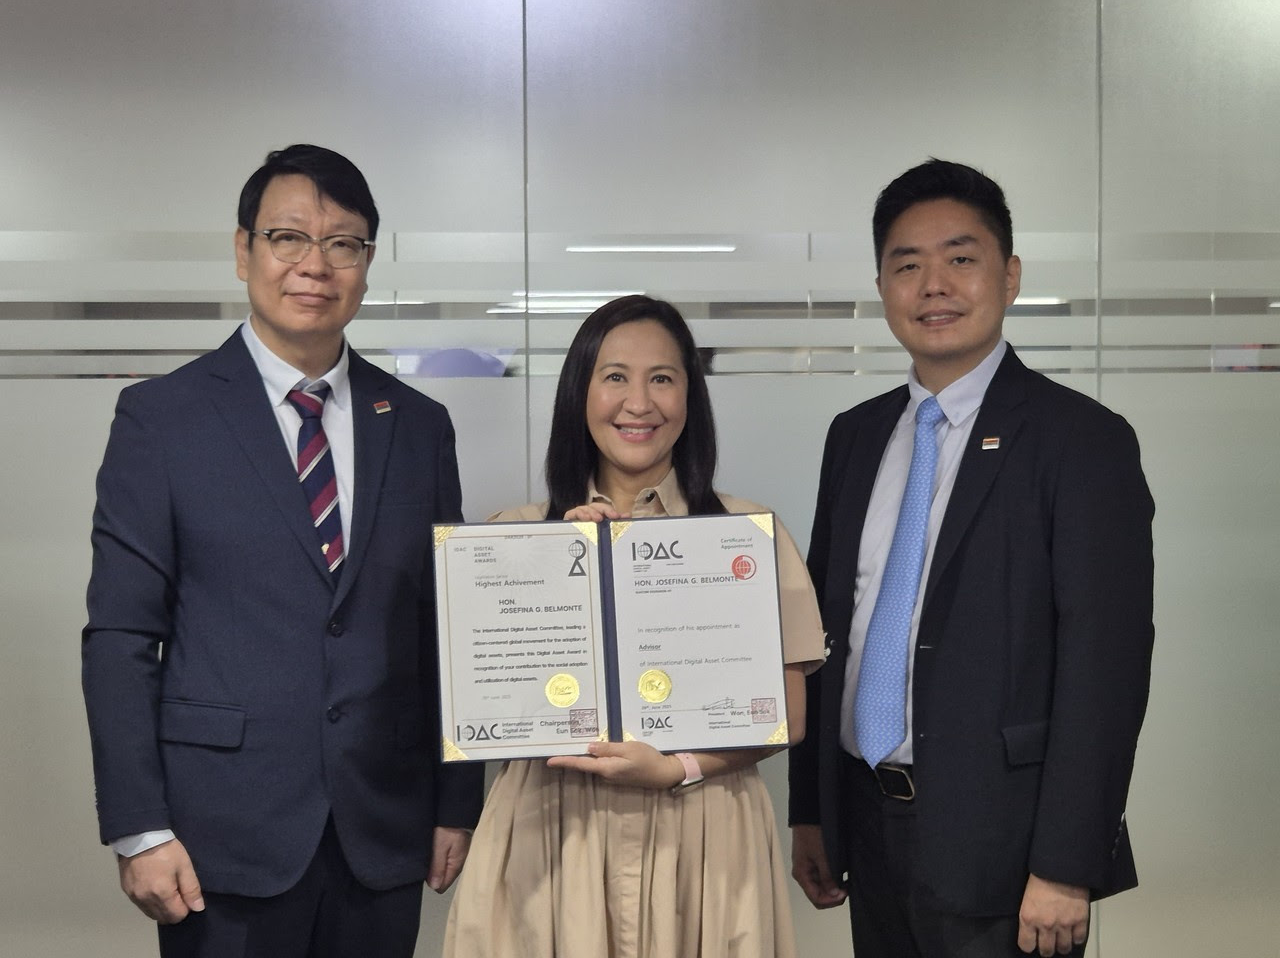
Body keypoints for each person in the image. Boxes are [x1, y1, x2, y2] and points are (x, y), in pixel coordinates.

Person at [81, 144, 484, 958]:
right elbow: (121, 636)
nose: (315, 265)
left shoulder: (417, 425)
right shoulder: (162, 419)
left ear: (368, 262)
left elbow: (443, 628)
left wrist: (456, 801)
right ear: (244, 250)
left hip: (381, 828)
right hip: (218, 835)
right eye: (288, 238)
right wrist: (139, 827)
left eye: (343, 244)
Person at [787, 159, 1155, 958]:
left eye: (961, 258)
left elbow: (1107, 668)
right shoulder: (855, 436)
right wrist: (810, 809)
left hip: (1008, 850)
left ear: (1009, 275)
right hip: (866, 825)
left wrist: (1066, 866)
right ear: (882, 285)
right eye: (907, 265)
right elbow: (824, 633)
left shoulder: (1081, 440)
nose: (934, 285)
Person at [443, 295, 825, 958]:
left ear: (690, 397)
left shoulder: (745, 537)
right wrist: (553, 570)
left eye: (663, 378)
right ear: (580, 393)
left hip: (704, 831)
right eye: (615, 376)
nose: (639, 403)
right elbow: (487, 705)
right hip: (551, 830)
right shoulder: (512, 537)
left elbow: (787, 715)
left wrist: (679, 767)